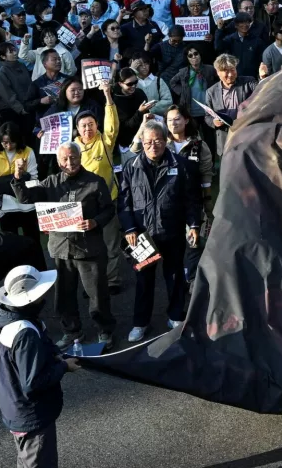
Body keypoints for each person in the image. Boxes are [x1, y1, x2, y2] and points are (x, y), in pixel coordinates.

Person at [11, 142, 117, 350]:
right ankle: (71, 332)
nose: (70, 162)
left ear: (80, 157)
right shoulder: (50, 182)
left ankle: (105, 331)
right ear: (59, 162)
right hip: (61, 248)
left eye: (74, 157)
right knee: (64, 296)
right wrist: (17, 176)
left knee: (97, 294)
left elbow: (109, 210)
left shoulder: (95, 182)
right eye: (65, 159)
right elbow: (24, 198)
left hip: (89, 249)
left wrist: (95, 222)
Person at [119, 120, 202, 343]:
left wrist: (194, 224)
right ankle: (140, 323)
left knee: (174, 277)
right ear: (142, 143)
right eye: (147, 142)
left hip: (172, 231)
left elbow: (192, 200)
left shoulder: (182, 165)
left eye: (157, 141)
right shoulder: (131, 167)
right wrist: (129, 228)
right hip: (143, 235)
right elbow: (124, 203)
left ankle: (175, 316)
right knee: (143, 280)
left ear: (165, 141)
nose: (152, 145)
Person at [0, 265, 80, 468]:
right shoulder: (26, 333)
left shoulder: (10, 319)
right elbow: (33, 382)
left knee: (27, 460)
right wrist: (64, 367)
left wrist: (53, 354)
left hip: (15, 408)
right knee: (39, 462)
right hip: (32, 415)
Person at [73, 82, 124, 295]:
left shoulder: (105, 141)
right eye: (84, 125)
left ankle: (112, 280)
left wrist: (107, 95)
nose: (88, 128)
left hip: (108, 201)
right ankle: (90, 283)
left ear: (97, 125)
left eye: (91, 124)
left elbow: (113, 123)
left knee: (112, 243)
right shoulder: (71, 149)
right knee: (88, 248)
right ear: (77, 129)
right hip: (83, 206)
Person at [0, 122, 39, 237]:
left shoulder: (28, 152)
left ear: (18, 140)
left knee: (32, 237)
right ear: (0, 141)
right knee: (9, 238)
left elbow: (34, 177)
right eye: (5, 143)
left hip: (26, 202)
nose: (9, 146)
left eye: (12, 142)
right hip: (4, 204)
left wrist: (21, 179)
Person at [205, 54, 257, 157]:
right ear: (218, 72)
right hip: (225, 138)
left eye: (232, 70)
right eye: (226, 71)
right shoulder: (211, 92)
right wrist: (214, 122)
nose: (230, 74)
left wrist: (263, 76)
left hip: (247, 134)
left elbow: (262, 91)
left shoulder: (248, 82)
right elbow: (207, 117)